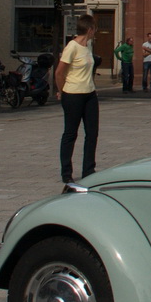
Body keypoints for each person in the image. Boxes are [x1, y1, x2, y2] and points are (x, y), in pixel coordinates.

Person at [56, 14, 99, 189]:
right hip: (73, 94)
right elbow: (59, 73)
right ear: (89, 30)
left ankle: (89, 170)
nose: (95, 32)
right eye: (94, 29)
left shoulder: (88, 46)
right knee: (70, 133)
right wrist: (62, 92)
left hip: (89, 93)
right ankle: (66, 172)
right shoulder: (71, 47)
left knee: (92, 132)